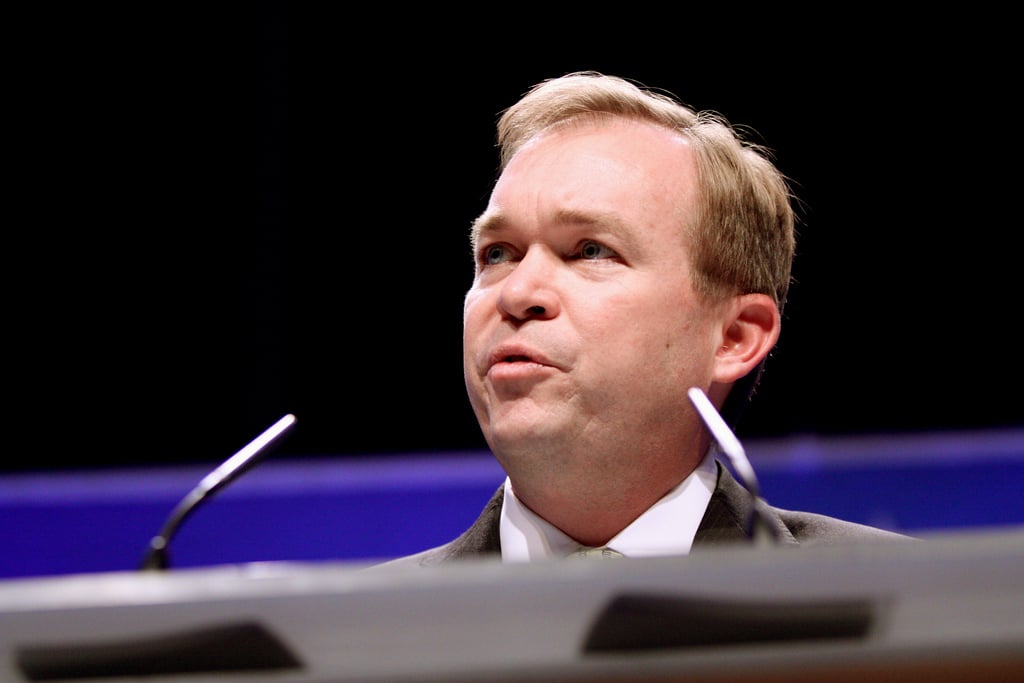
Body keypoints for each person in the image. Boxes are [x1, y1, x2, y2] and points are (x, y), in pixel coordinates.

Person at [377, 71, 907, 568]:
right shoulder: (341, 642)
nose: (517, 293)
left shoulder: (902, 604)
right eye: (498, 254)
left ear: (734, 337)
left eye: (589, 250)